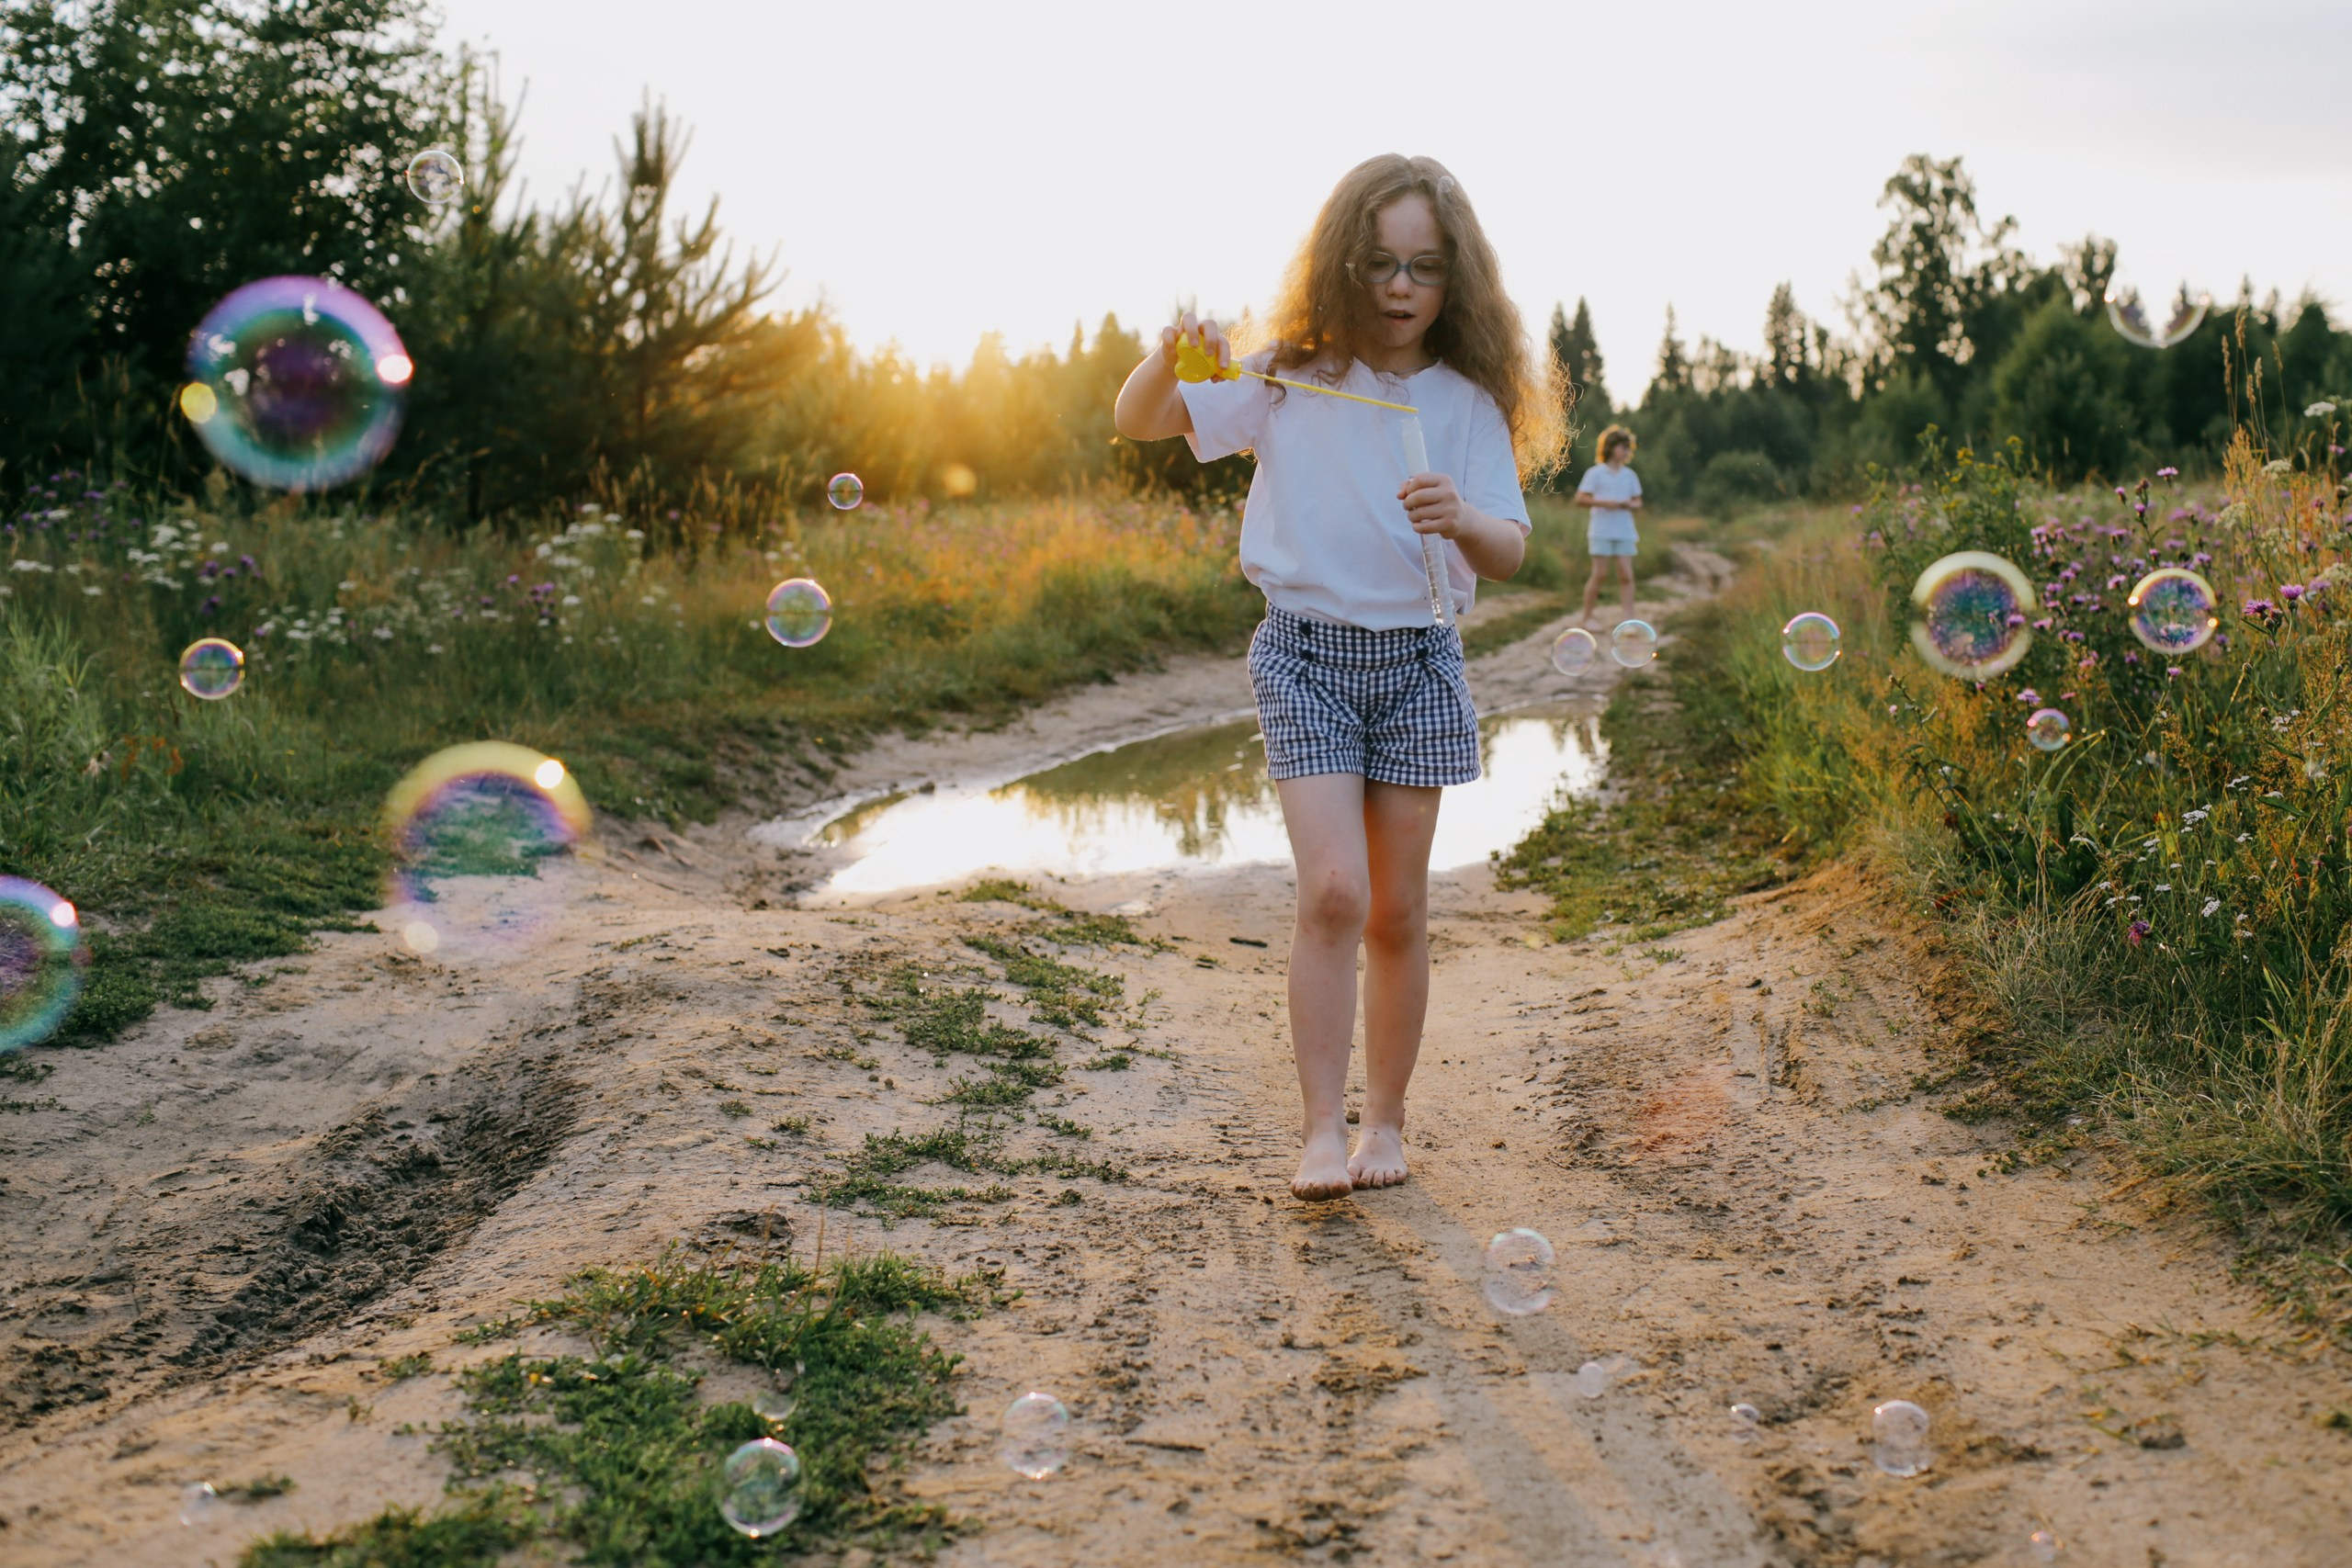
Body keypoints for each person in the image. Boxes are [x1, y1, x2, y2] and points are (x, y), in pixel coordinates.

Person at [1113, 153, 1557, 1201]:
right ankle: (1319, 1130)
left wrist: (1465, 519)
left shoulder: (1464, 402)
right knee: (1334, 893)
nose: (1401, 287)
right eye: (1378, 263)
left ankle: (1382, 1124)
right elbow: (1142, 419)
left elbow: (1512, 550)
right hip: (1306, 652)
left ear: (1456, 282)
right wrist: (1168, 356)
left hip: (1417, 659)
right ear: (1339, 264)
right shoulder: (1286, 372)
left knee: (1398, 911)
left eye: (1425, 268)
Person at [1575, 424, 1643, 625]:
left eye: (1628, 448)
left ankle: (1628, 618)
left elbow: (1638, 502)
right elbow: (1580, 499)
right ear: (1611, 448)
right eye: (1623, 447)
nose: (1626, 452)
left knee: (1626, 575)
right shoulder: (1595, 473)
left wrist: (1628, 504)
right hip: (1601, 530)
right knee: (1600, 575)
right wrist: (1604, 503)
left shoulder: (1630, 475)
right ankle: (1587, 617)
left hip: (1625, 531)